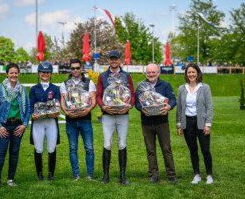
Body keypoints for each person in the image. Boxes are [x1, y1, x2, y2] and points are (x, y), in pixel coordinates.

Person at [0, 63, 30, 191]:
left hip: (17, 126)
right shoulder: (0, 89)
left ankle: (11, 179)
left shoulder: (22, 89)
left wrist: (24, 124)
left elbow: (28, 108)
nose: (14, 75)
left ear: (19, 74)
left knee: (14, 153)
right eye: (11, 73)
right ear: (7, 74)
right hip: (3, 125)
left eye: (16, 73)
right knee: (1, 153)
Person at [96, 50, 135, 185]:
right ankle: (106, 176)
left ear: (120, 60)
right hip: (108, 115)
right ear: (109, 60)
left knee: (122, 143)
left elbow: (132, 94)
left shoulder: (126, 76)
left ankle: (122, 176)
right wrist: (103, 106)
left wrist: (129, 105)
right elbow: (98, 95)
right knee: (107, 143)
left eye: (116, 59)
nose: (113, 61)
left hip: (123, 115)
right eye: (111, 59)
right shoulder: (102, 76)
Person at [135, 63, 178, 184]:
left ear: (158, 72)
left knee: (166, 148)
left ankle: (171, 174)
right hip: (147, 122)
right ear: (146, 73)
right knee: (150, 150)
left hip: (162, 122)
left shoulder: (165, 85)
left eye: (153, 72)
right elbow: (137, 102)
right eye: (149, 72)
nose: (151, 74)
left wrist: (169, 106)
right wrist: (141, 108)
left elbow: (173, 99)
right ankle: (153, 174)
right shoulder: (141, 86)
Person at [176, 63, 214, 184]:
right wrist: (179, 125)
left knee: (205, 149)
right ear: (186, 74)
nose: (191, 74)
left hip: (201, 122)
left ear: (197, 73)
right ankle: (196, 174)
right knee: (193, 150)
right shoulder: (182, 88)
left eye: (193, 72)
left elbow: (209, 107)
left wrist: (208, 124)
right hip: (187, 123)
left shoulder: (205, 87)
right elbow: (179, 109)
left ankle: (209, 175)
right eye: (189, 72)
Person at [60, 58, 97, 181]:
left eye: (77, 68)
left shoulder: (89, 82)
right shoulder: (64, 84)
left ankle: (90, 174)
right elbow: (63, 101)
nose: (75, 70)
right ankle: (76, 174)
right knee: (72, 148)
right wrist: (66, 112)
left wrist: (88, 109)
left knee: (89, 148)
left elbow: (93, 99)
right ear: (70, 69)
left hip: (85, 119)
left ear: (81, 68)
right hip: (71, 121)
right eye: (73, 68)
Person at [29, 61, 61, 181]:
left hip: (51, 121)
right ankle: (40, 174)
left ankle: (51, 174)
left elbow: (56, 104)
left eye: (47, 72)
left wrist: (55, 111)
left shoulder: (55, 88)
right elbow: (31, 106)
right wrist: (33, 114)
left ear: (51, 73)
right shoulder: (33, 89)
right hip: (38, 122)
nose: (45, 74)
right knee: (38, 148)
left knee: (51, 148)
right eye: (43, 72)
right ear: (38, 73)